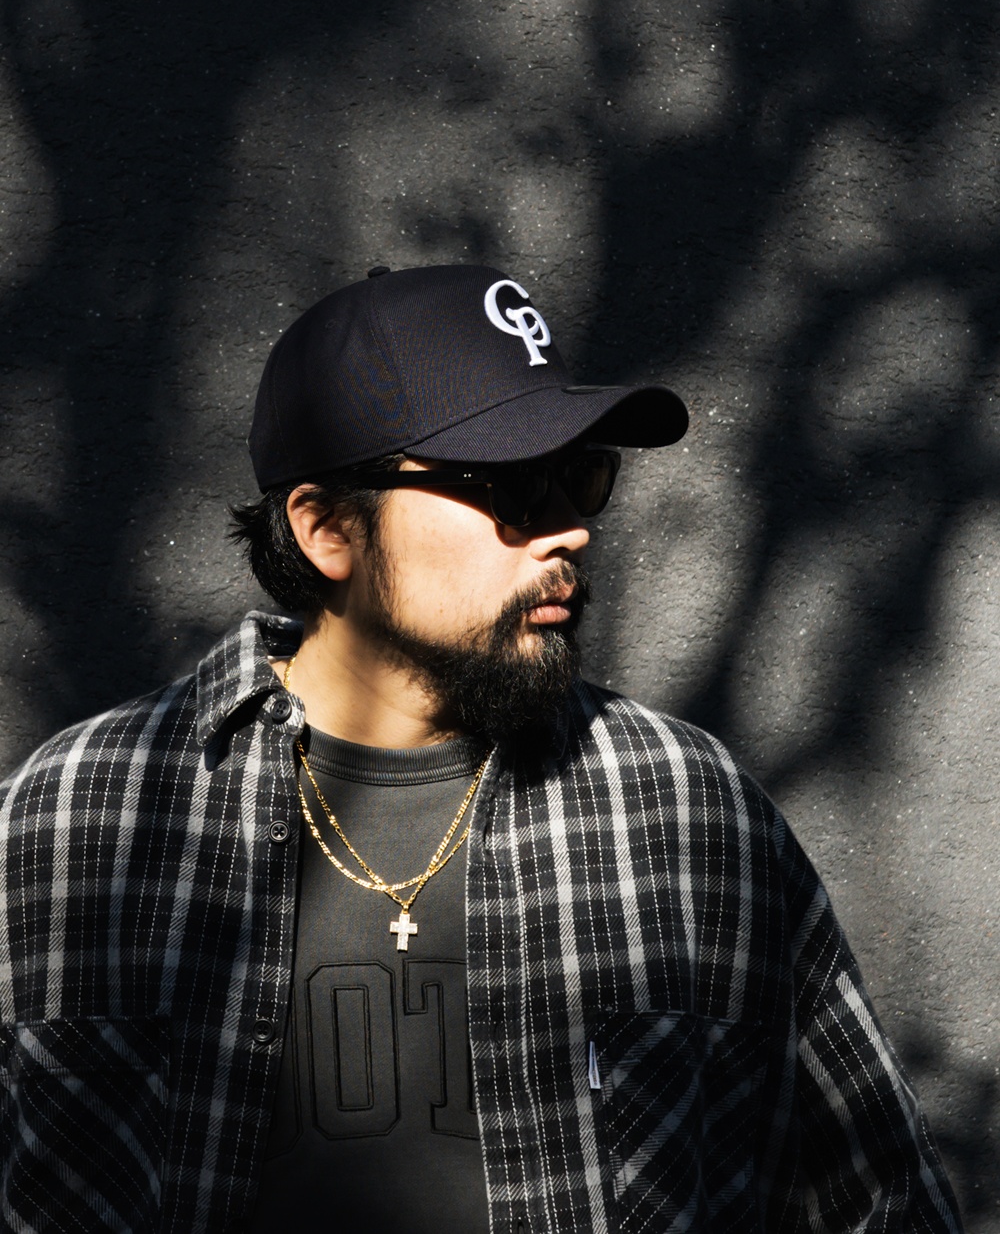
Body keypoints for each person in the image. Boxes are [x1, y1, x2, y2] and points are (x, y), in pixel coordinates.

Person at [0, 263, 961, 1234]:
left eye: (581, 476)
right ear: (327, 528)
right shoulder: (71, 822)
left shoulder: (685, 812)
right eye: (510, 485)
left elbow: (885, 1200)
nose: (571, 530)